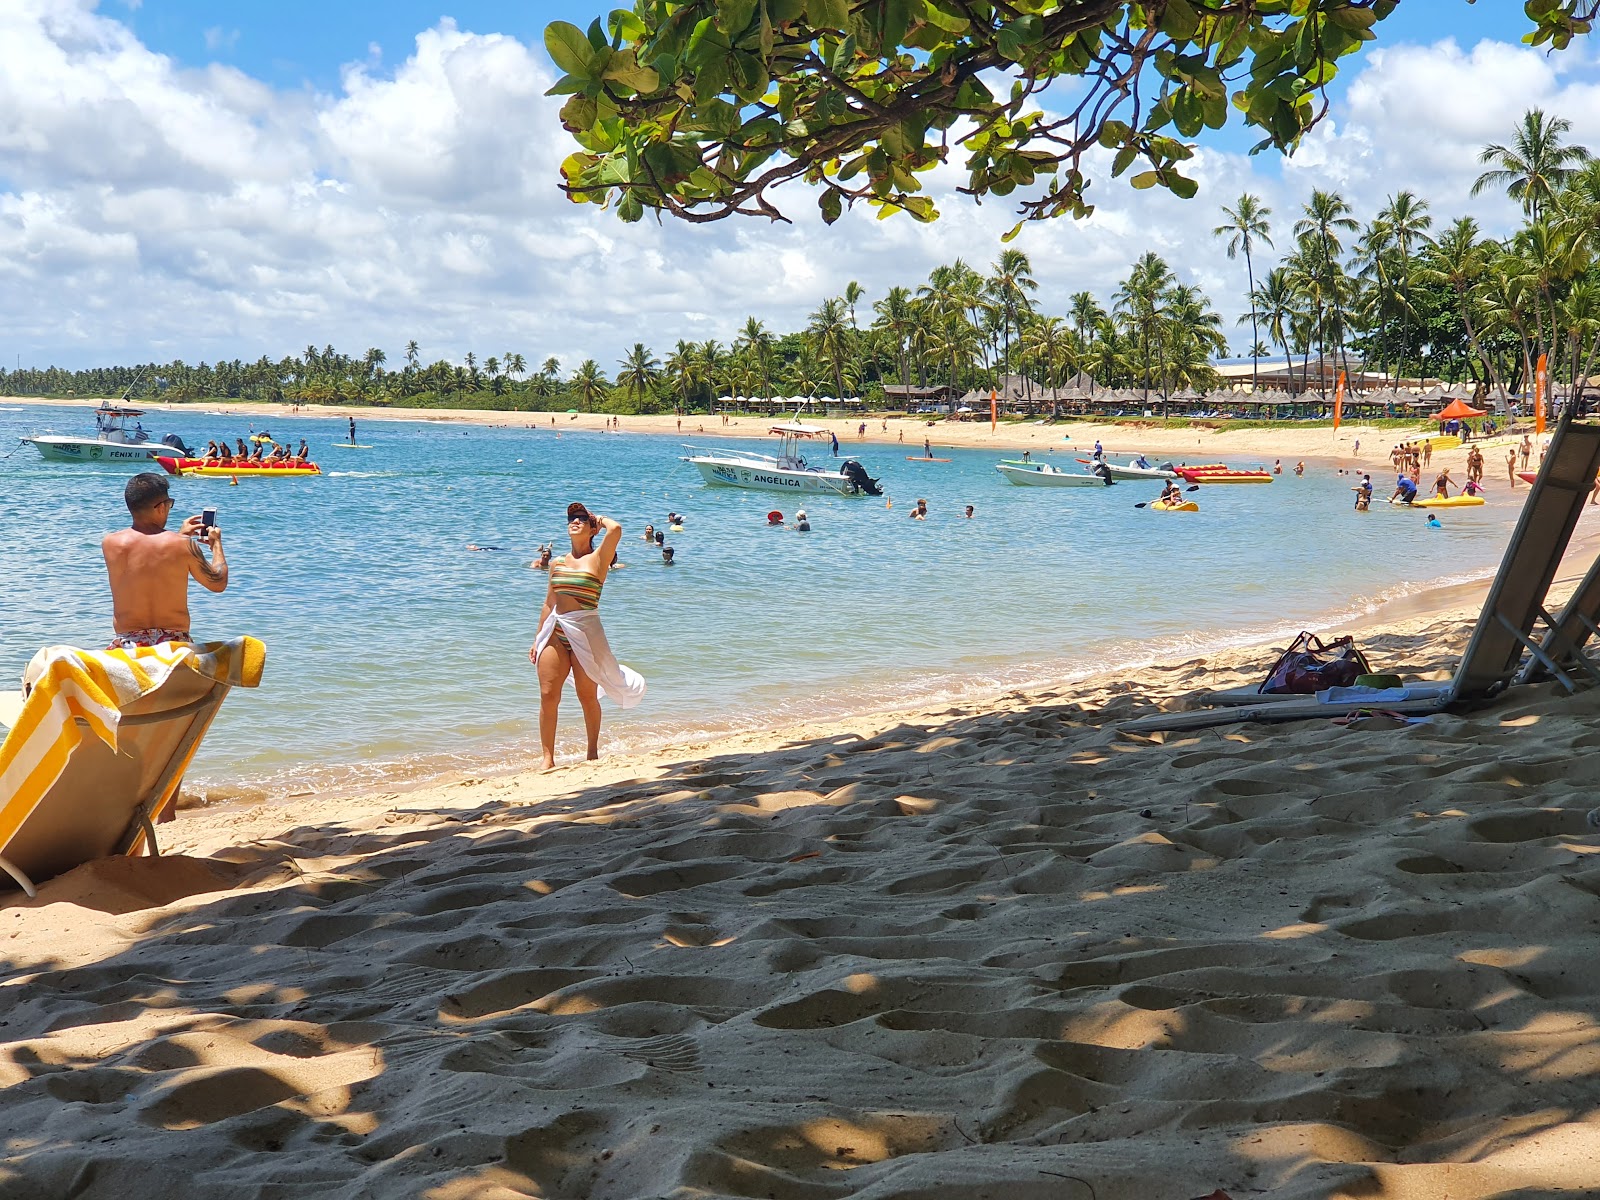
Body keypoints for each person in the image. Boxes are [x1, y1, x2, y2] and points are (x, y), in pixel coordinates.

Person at [529, 503, 644, 769]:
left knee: (586, 695)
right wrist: (537, 638)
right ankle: (547, 758)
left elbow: (616, 529)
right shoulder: (556, 562)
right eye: (571, 518)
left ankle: (591, 752)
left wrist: (597, 518)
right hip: (555, 631)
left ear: (593, 529)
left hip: (586, 632)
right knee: (548, 694)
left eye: (581, 519)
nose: (575, 521)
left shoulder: (600, 559)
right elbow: (548, 603)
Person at [101, 472, 227, 650]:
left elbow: (149, 556)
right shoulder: (182, 545)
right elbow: (218, 583)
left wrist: (179, 536)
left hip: (128, 645)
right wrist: (216, 544)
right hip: (174, 644)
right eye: (169, 504)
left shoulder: (110, 543)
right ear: (161, 507)